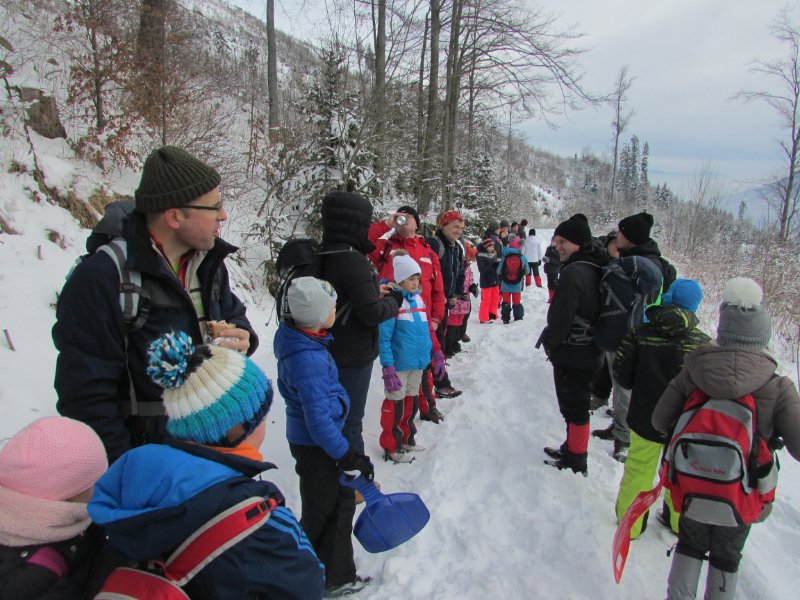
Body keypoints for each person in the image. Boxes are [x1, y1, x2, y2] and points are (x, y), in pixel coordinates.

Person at [53, 145, 258, 463]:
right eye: (214, 207)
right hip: (150, 457)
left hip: (211, 447)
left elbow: (233, 315)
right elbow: (86, 396)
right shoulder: (103, 277)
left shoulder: (207, 263)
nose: (224, 215)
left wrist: (243, 335)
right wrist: (128, 472)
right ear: (174, 216)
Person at [89, 330, 325, 600]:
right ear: (237, 429)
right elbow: (309, 583)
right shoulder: (260, 524)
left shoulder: (127, 491)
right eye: (262, 416)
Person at [652, 277, 800, 600]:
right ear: (762, 337)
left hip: (691, 486)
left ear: (722, 330)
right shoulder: (778, 386)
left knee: (690, 544)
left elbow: (659, 421)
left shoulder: (694, 370)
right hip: (742, 492)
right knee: (727, 555)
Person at [274, 277, 375, 596]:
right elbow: (318, 421)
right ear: (317, 316)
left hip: (317, 443)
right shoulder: (308, 360)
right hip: (318, 445)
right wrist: (345, 454)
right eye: (332, 307)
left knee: (332, 504)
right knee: (328, 510)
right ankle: (326, 577)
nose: (335, 310)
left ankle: (321, 571)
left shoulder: (305, 342)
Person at [613, 279, 710, 539]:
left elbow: (622, 375)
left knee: (639, 467)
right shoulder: (703, 344)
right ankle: (678, 521)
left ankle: (630, 525)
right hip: (685, 423)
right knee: (682, 472)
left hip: (645, 416)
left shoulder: (641, 333)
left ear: (668, 297)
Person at [318, 191, 402, 457]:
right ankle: (353, 473)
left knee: (328, 417)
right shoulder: (353, 259)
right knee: (350, 421)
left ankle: (330, 469)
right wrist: (395, 301)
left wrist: (371, 291)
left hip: (322, 349)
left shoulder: (322, 253)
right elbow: (371, 313)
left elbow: (342, 294)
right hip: (352, 354)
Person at [0, 417, 115, 599]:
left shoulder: (63, 524)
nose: (102, 486)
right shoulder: (36, 579)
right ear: (69, 494)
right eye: (94, 482)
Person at [593, 213, 677, 459]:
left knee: (625, 389)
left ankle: (624, 439)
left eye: (621, 232)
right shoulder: (649, 260)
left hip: (631, 336)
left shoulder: (638, 265)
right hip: (637, 333)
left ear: (629, 237)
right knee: (621, 387)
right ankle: (620, 427)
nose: (616, 236)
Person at [539, 214, 608, 475]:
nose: (557, 246)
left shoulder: (573, 272)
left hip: (574, 351)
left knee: (575, 407)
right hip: (590, 350)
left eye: (563, 241)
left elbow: (561, 316)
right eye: (556, 240)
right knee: (575, 404)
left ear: (578, 242)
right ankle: (571, 448)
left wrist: (551, 343)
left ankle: (577, 459)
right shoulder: (594, 265)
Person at [369, 206, 451, 420]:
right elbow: (364, 241)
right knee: (402, 373)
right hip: (396, 321)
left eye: (408, 217)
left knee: (425, 368)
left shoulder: (428, 250)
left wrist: (436, 317)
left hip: (424, 319)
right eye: (400, 217)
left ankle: (427, 407)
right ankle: (399, 421)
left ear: (417, 222)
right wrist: (387, 224)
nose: (403, 220)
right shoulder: (387, 247)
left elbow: (438, 288)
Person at [378, 253, 433, 463]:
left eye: (417, 278)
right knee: (395, 404)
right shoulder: (393, 301)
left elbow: (425, 330)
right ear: (400, 279)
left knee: (412, 401)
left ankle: (407, 438)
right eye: (411, 278)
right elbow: (384, 337)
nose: (415, 282)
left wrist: (432, 353)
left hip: (417, 362)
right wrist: (387, 366)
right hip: (399, 364)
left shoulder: (418, 299)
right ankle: (392, 445)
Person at [426, 210, 466, 396]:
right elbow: (427, 274)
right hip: (432, 303)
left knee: (438, 341)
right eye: (455, 226)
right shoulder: (435, 244)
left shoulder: (456, 247)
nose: (458, 231)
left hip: (443, 303)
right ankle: (439, 383)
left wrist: (455, 294)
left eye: (461, 228)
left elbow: (460, 273)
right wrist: (438, 296)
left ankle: (436, 380)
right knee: (436, 343)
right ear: (444, 225)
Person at [496, 235, 530, 323]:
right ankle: (518, 318)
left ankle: (506, 319)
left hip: (505, 284)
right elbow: (527, 271)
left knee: (506, 302)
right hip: (517, 284)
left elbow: (499, 271)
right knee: (517, 302)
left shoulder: (505, 256)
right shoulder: (522, 257)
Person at [542, 237, 561, 303]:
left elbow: (559, 261)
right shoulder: (549, 248)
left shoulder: (558, 249)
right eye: (552, 241)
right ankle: (551, 298)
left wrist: (550, 260)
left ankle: (553, 299)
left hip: (555, 269)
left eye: (554, 241)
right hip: (548, 269)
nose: (552, 242)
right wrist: (545, 259)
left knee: (553, 284)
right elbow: (546, 256)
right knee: (549, 284)